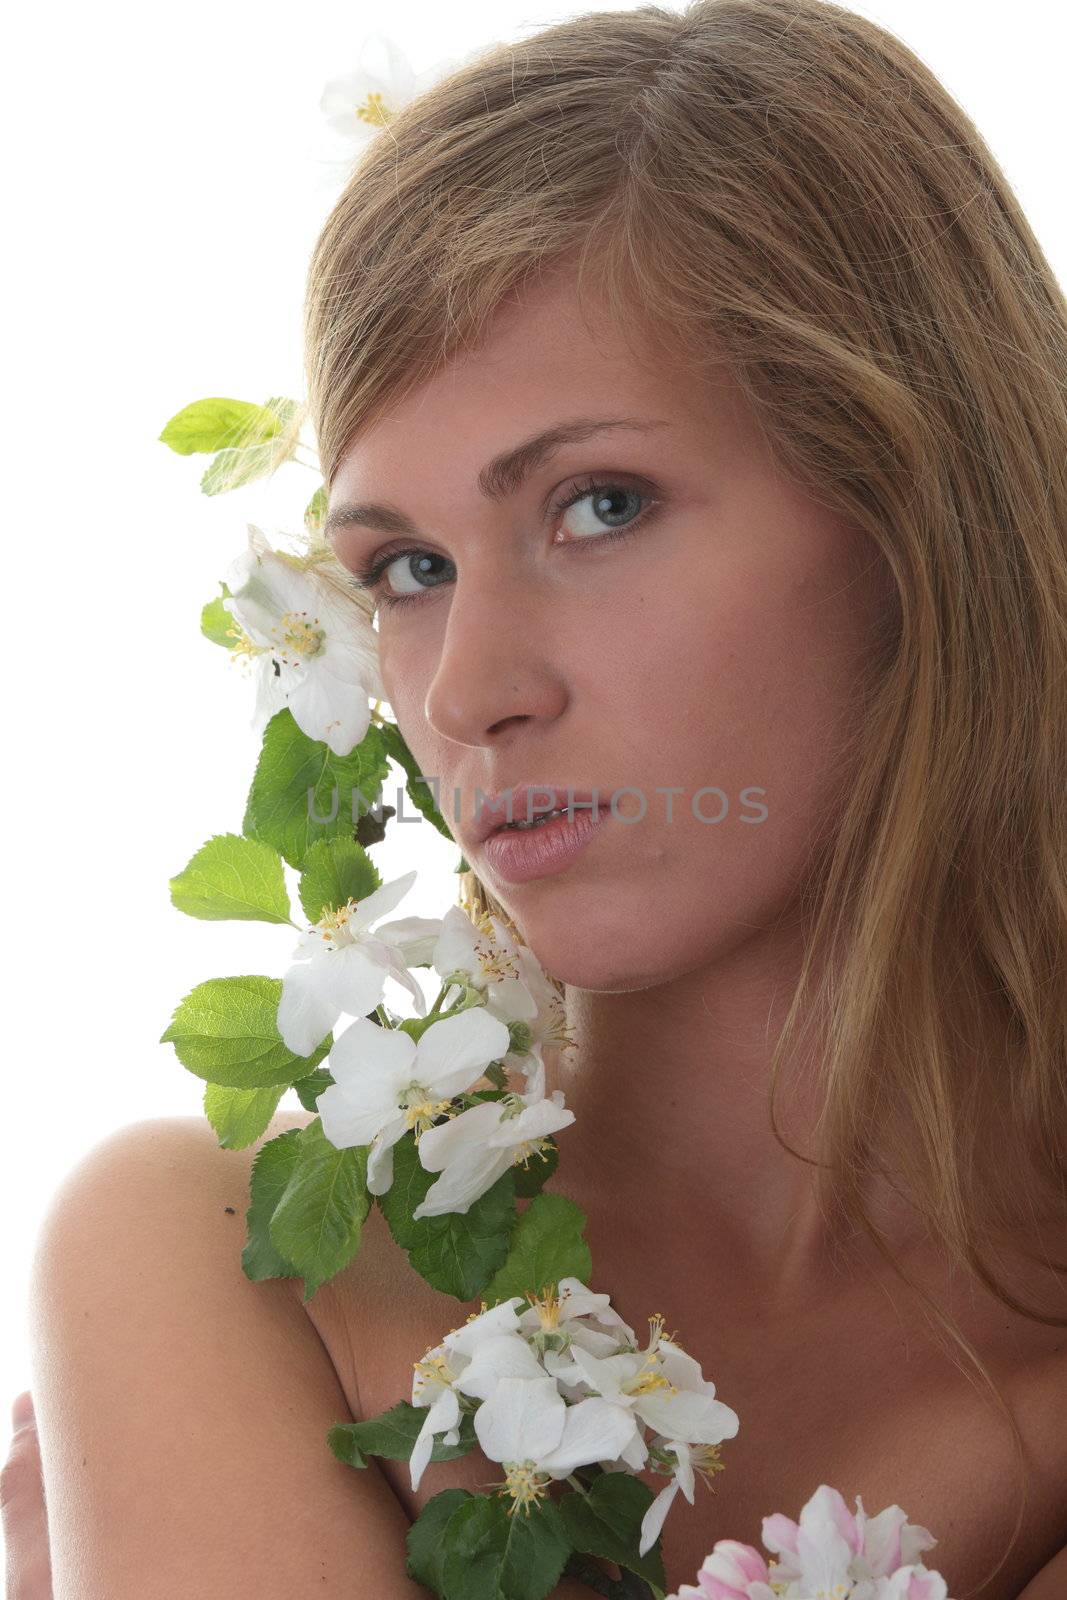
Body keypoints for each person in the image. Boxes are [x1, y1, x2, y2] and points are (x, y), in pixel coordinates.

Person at [8, 1, 1066, 1595]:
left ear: (920, 504)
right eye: (408, 570)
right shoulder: (234, 1251)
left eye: (599, 504)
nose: (467, 690)